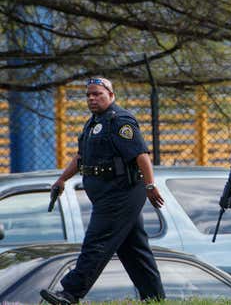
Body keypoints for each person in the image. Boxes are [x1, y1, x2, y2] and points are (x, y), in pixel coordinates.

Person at [40, 77, 165, 305]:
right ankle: (155, 298)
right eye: (88, 95)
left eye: (97, 94)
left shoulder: (120, 121)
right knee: (134, 249)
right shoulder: (92, 123)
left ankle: (70, 294)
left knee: (96, 241)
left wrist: (150, 185)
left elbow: (141, 155)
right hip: (105, 193)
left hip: (121, 192)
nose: (91, 98)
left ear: (111, 94)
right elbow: (80, 158)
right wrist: (61, 179)